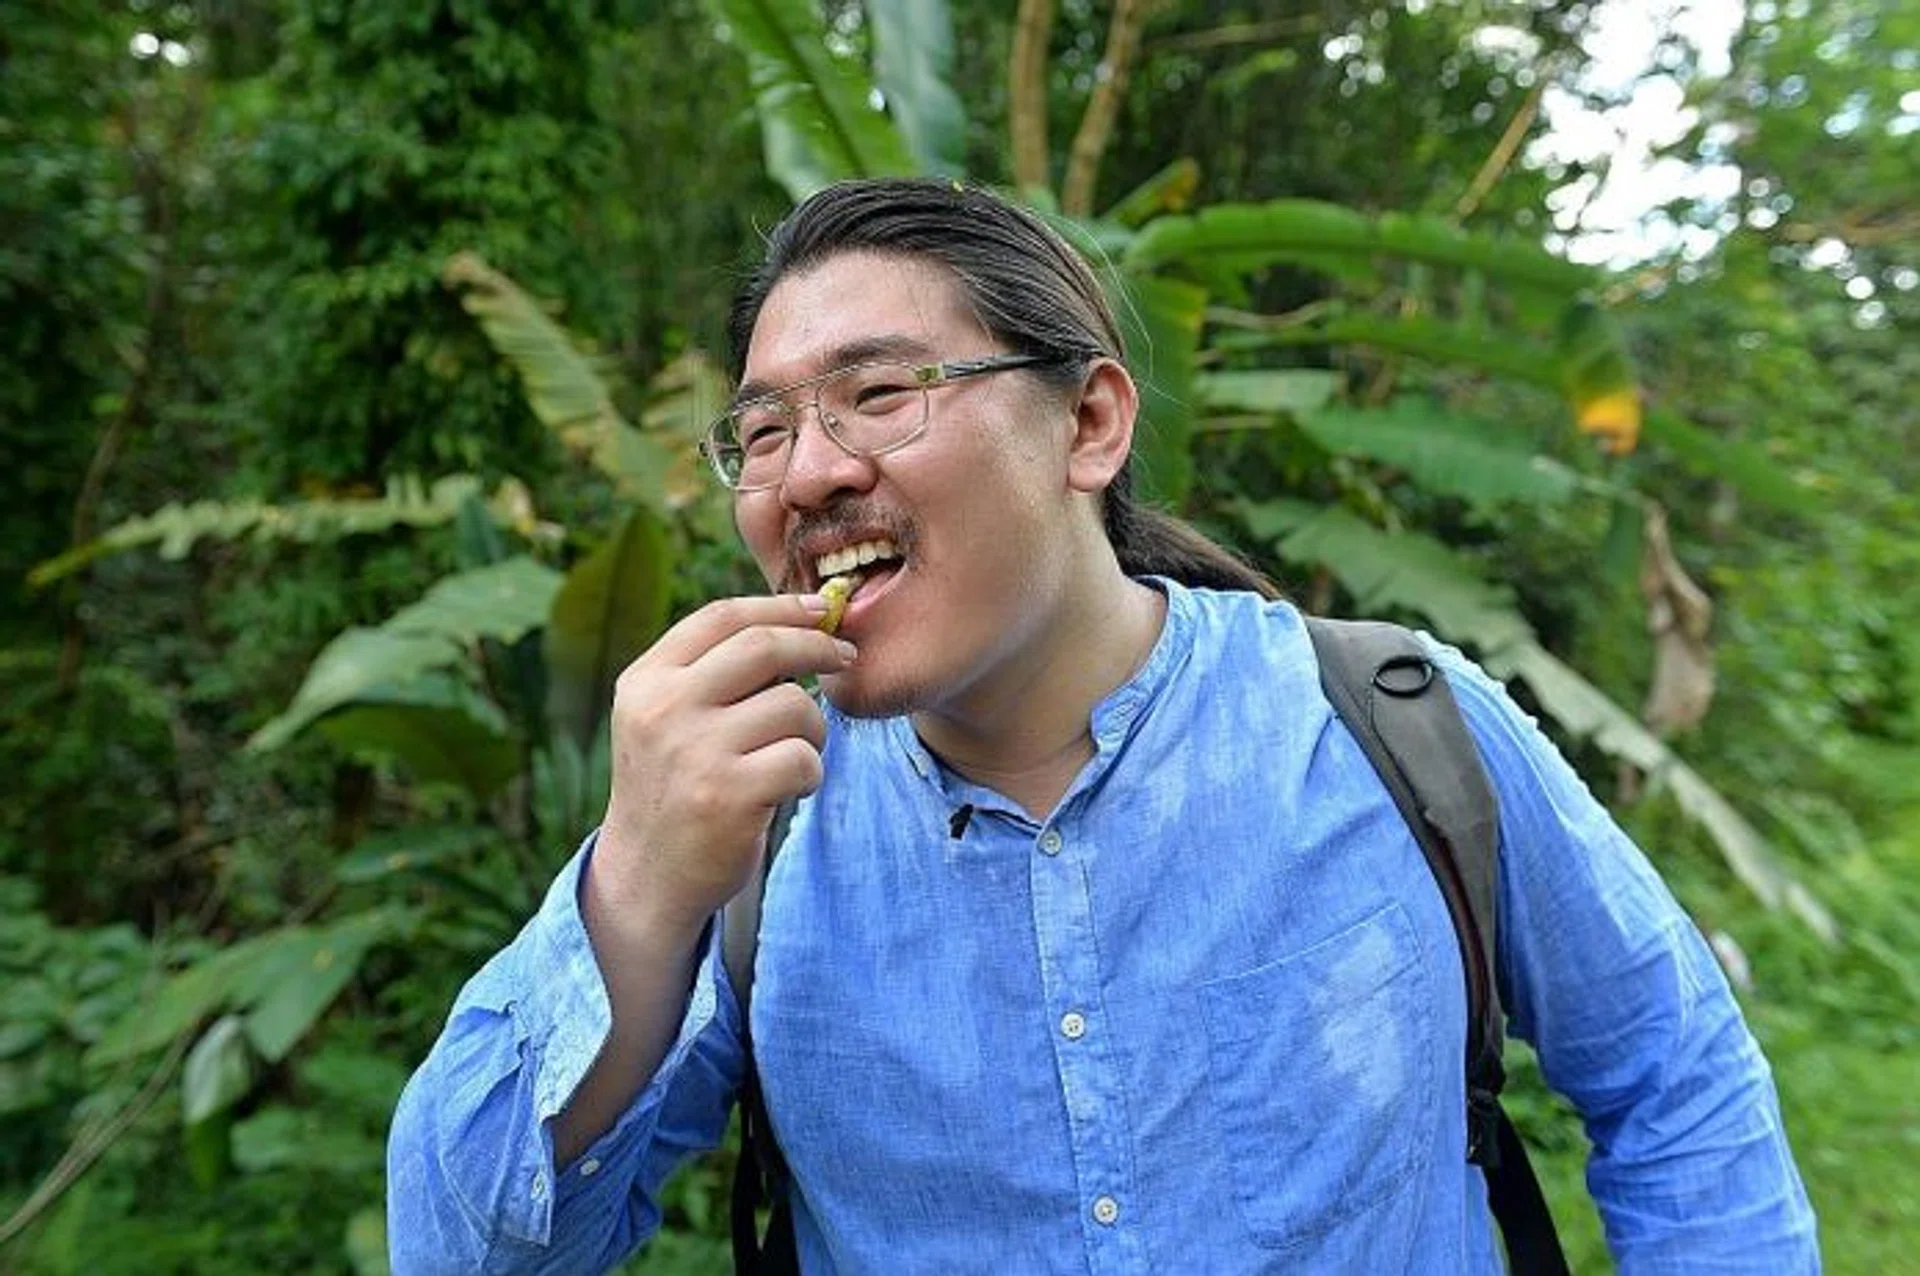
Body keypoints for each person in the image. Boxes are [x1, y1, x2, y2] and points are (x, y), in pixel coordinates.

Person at [385, 178, 1820, 1274]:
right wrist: (634, 889)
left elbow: (1670, 1073)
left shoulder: (1391, 725)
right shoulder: (748, 837)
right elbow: (469, 1248)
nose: (806, 473)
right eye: (761, 431)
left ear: (1090, 426)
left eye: (878, 394)